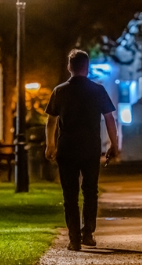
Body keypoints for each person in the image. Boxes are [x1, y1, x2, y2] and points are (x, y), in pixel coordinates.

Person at [45, 50, 119, 251]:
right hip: (90, 147)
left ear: (69, 67)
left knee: (69, 194)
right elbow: (109, 118)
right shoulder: (97, 90)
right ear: (87, 67)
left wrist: (50, 144)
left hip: (67, 147)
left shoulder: (60, 91)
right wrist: (114, 144)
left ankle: (73, 239)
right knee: (90, 191)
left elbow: (51, 121)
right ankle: (88, 233)